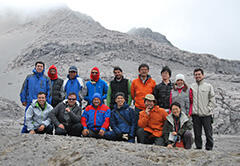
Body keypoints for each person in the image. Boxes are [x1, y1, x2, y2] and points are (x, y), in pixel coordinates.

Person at [20, 61, 51, 133]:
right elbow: (24, 89)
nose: (39, 67)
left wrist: (48, 102)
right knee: (27, 118)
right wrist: (23, 99)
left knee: (41, 118)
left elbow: (49, 91)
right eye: (38, 66)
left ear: (43, 68)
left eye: (41, 66)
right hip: (30, 102)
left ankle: (39, 131)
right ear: (35, 67)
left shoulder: (46, 79)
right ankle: (24, 134)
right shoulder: (29, 77)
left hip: (42, 102)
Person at [190, 68, 216, 150]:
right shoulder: (192, 87)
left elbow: (212, 99)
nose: (197, 76)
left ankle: (209, 147)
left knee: (208, 133)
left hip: (206, 114)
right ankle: (198, 147)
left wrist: (209, 109)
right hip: (195, 114)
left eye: (199, 74)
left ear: (203, 75)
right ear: (194, 76)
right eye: (196, 75)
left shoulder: (208, 86)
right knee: (197, 133)